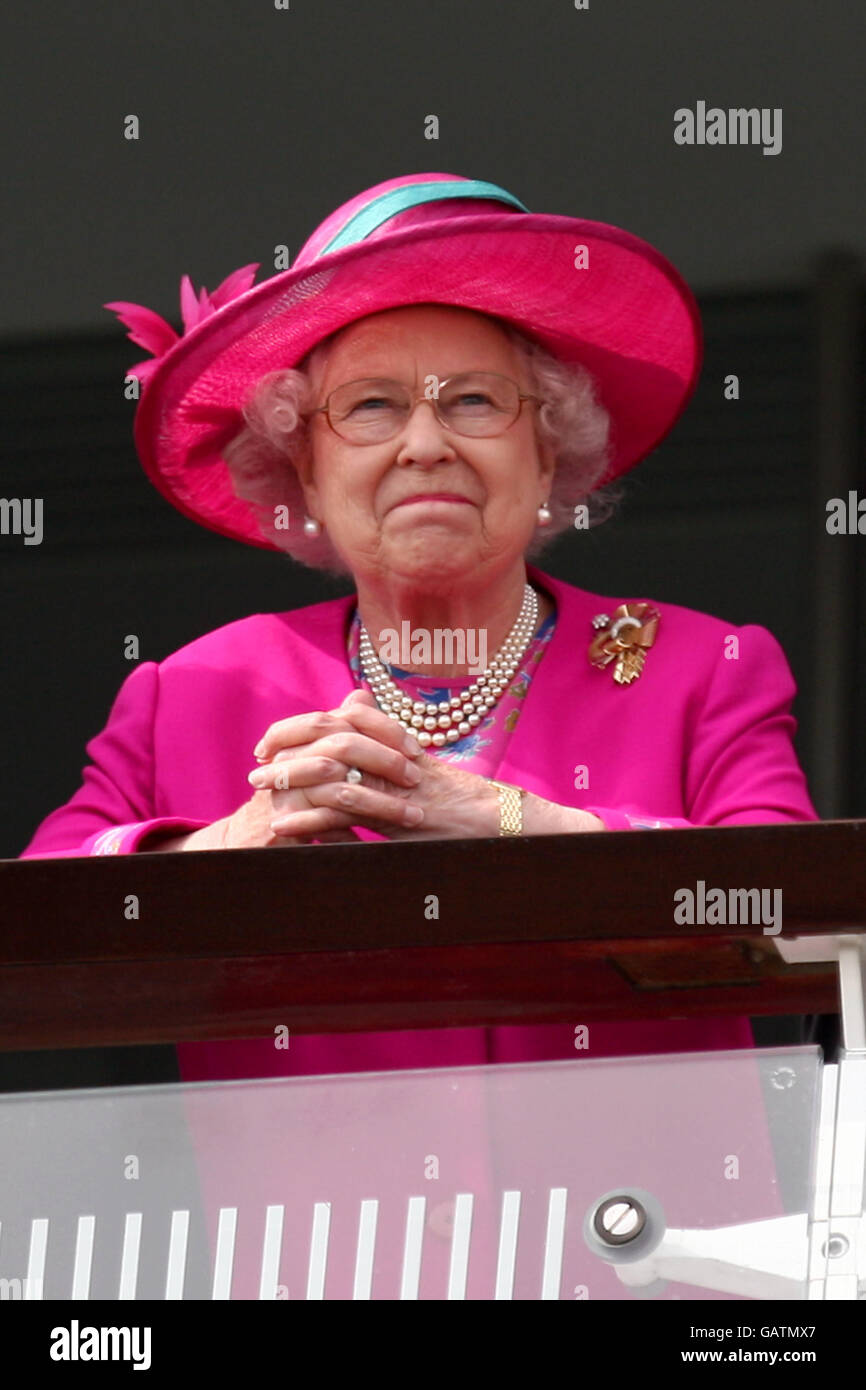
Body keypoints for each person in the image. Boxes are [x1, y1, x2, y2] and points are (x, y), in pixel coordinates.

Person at [19, 171, 818, 1084]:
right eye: (372, 407)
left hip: (651, 1222)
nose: (427, 443)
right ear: (306, 470)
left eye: (475, 401)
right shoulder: (196, 690)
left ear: (547, 448)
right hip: (316, 1229)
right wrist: (232, 844)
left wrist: (509, 822)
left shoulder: (700, 667)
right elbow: (44, 917)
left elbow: (785, 912)